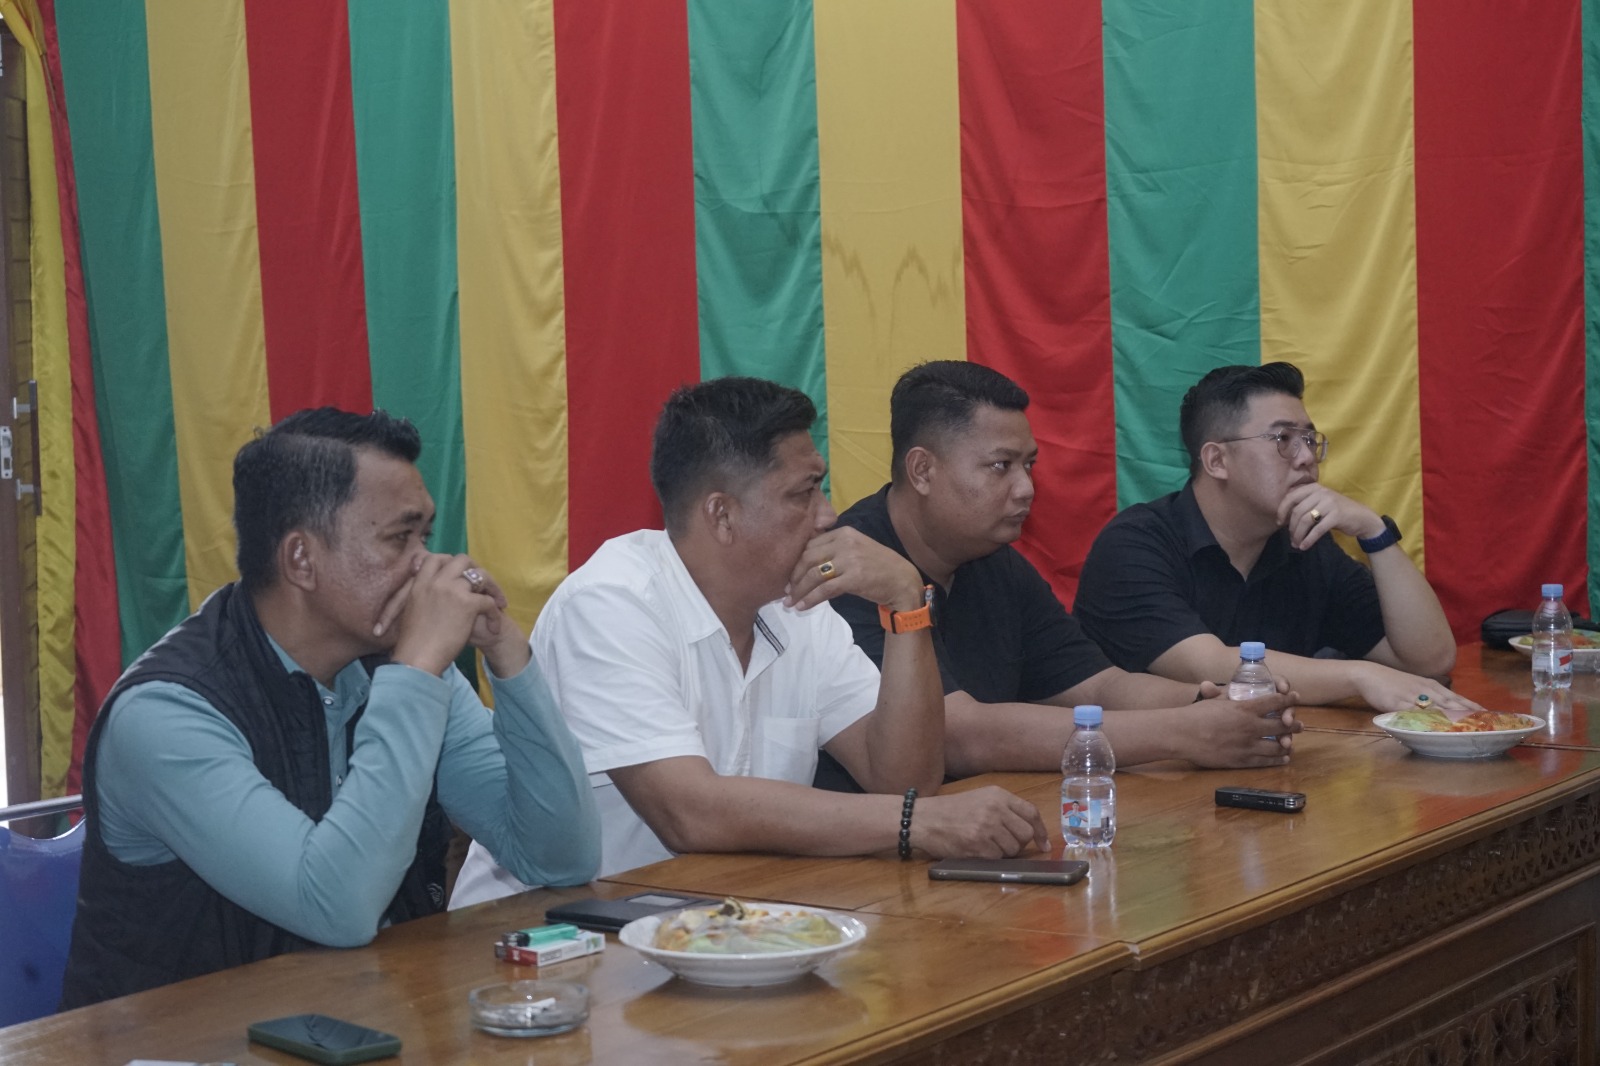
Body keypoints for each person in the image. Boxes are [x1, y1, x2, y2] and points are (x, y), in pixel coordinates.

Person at [60, 409, 599, 1007]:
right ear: (301, 560)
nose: (429, 566)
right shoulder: (165, 715)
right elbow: (336, 907)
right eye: (400, 538)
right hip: (184, 1040)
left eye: (425, 536)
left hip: (357, 1021)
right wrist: (416, 671)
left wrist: (508, 654)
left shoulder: (406, 668)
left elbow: (560, 857)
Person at [451, 377, 1046, 899]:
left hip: (722, 922)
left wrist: (906, 605)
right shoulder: (611, 601)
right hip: (552, 937)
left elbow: (903, 781)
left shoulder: (799, 606)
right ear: (722, 515)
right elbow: (689, 813)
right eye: (803, 493)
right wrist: (916, 823)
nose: (828, 515)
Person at [815, 361, 1297, 794]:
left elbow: (1098, 686)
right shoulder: (855, 569)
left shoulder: (994, 561)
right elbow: (958, 734)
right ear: (922, 470)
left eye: (1029, 465)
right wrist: (1184, 732)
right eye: (1001, 466)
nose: (1026, 488)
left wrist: (1209, 702)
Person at [1074, 361, 1474, 715]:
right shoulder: (1134, 545)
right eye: (1283, 439)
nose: (1306, 457)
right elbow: (1206, 665)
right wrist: (1359, 676)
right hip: (1128, 766)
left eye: (1309, 440)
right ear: (1216, 460)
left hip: (1273, 758)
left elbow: (1429, 661)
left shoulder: (1307, 547)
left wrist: (1374, 532)